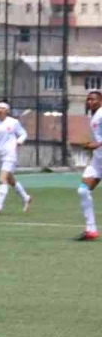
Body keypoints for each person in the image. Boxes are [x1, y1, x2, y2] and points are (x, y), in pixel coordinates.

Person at [0, 101, 31, 215]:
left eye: (2, 108)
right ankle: (26, 197)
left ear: (7, 111)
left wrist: (19, 141)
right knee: (10, 179)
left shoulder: (14, 122)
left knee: (2, 179)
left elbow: (23, 134)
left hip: (10, 153)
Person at [76, 89, 102, 241]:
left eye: (93, 99)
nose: (90, 102)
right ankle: (91, 230)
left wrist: (97, 144)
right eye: (88, 99)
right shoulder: (92, 116)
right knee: (83, 191)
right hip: (98, 160)